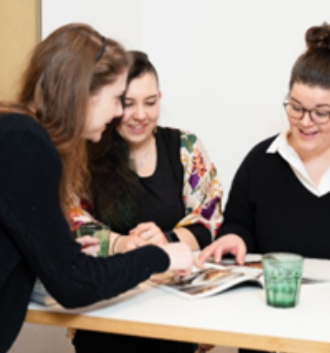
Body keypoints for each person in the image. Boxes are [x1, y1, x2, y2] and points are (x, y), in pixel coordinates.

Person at [198, 21, 330, 353]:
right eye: (296, 107)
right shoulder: (262, 161)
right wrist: (232, 238)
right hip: (275, 337)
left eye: (321, 113)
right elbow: (239, 225)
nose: (305, 122)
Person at [0, 23, 193, 353]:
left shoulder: (17, 133)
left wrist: (61, 255)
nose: (121, 112)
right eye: (118, 99)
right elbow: (75, 286)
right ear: (85, 93)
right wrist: (157, 257)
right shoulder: (25, 145)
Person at [71, 50, 223, 353]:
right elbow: (71, 221)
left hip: (174, 316)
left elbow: (210, 217)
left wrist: (165, 240)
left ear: (160, 99)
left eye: (150, 103)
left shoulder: (185, 147)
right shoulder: (88, 152)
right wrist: (122, 245)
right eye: (128, 104)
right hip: (106, 310)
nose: (141, 115)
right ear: (112, 104)